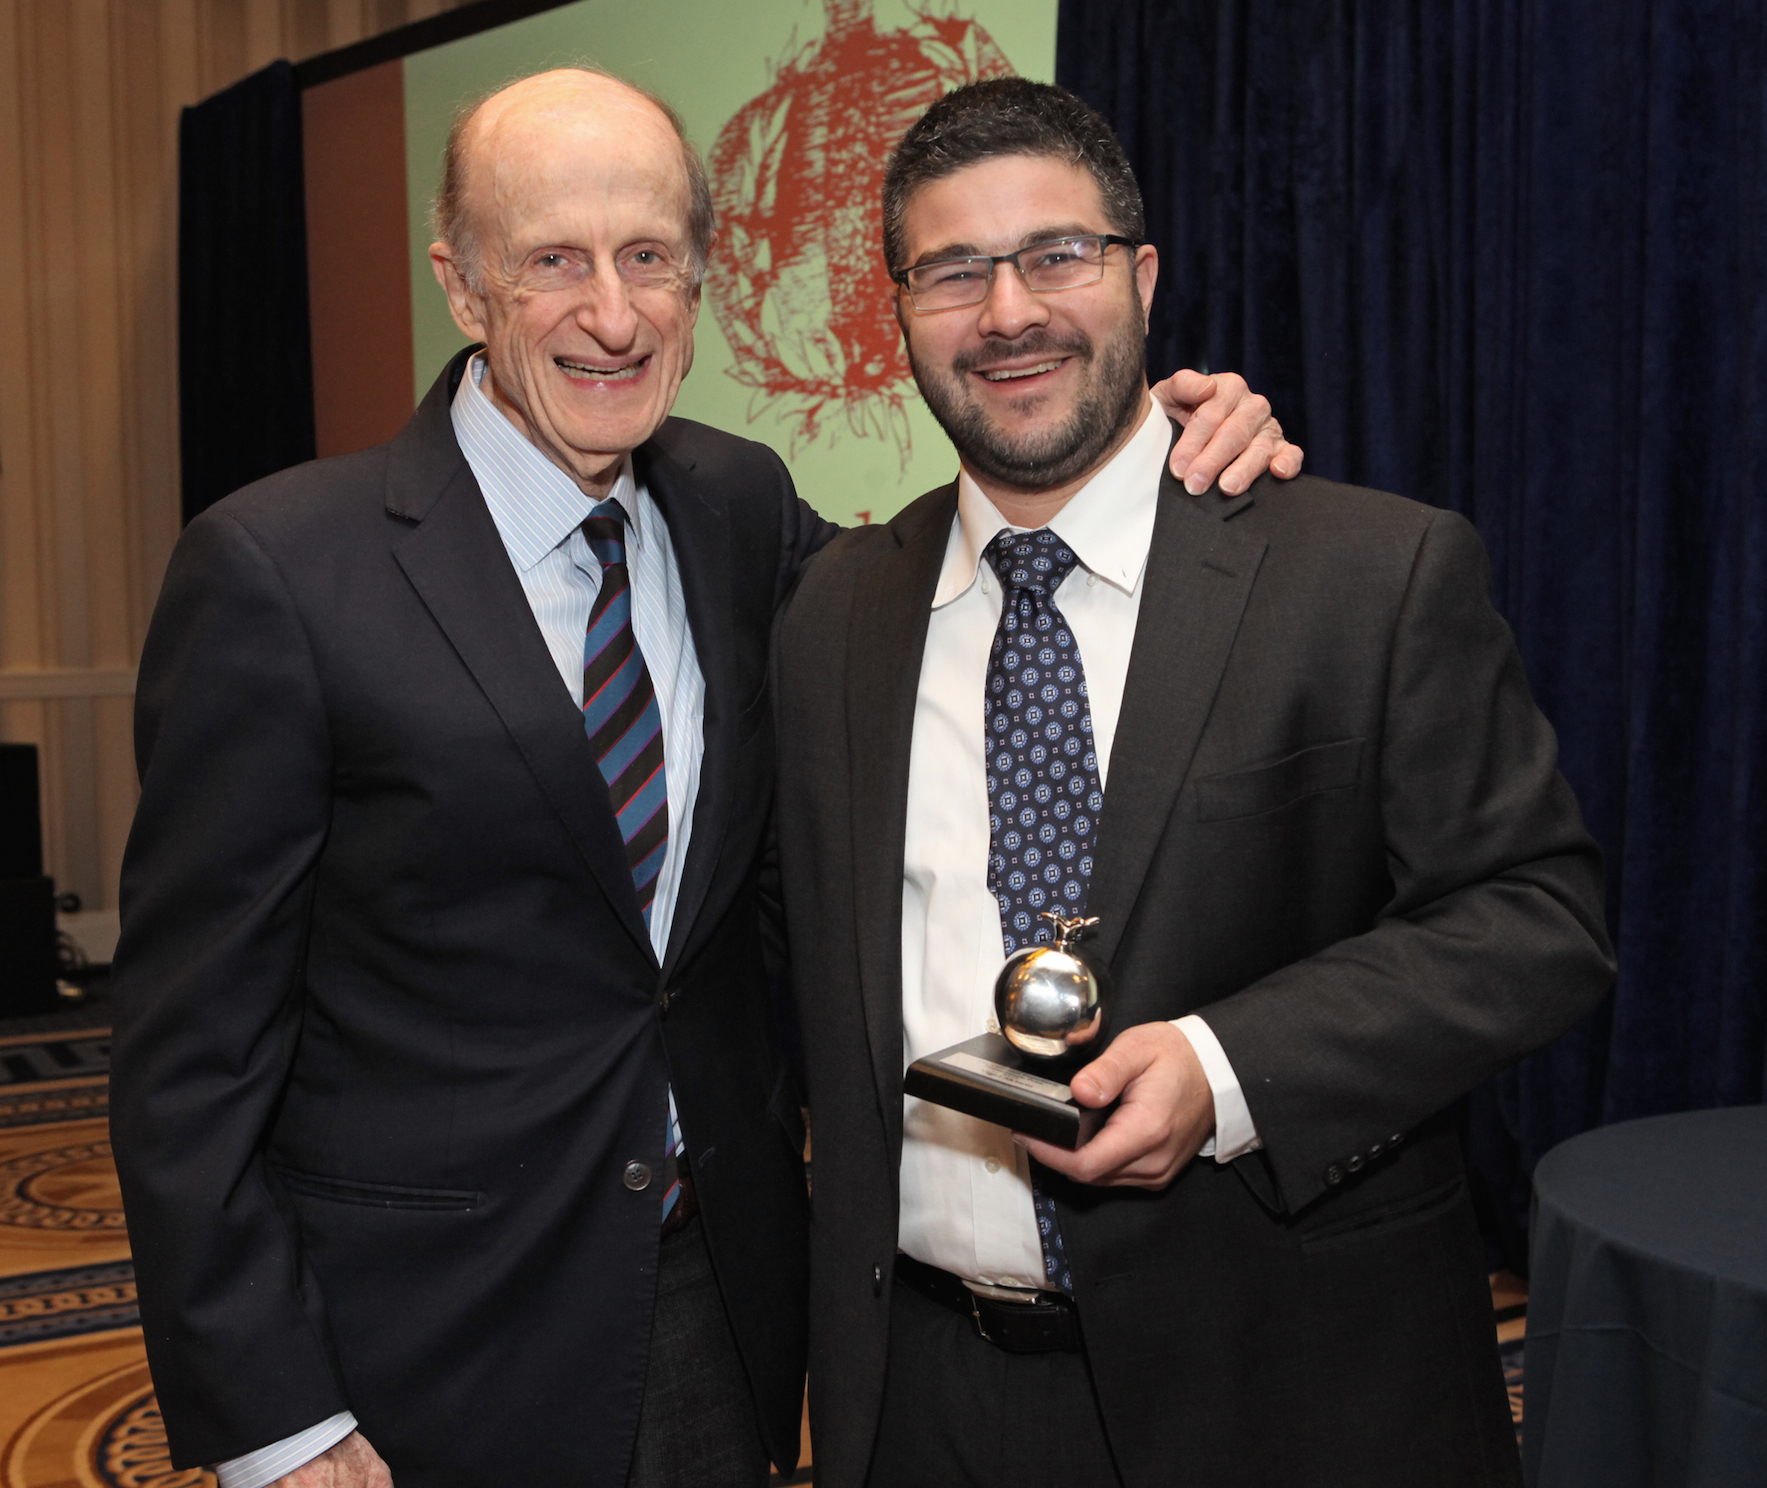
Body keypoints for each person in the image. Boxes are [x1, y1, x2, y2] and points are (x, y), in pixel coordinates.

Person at [109, 68, 1294, 1488]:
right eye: (553, 262)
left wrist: (1175, 435)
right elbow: (189, 1052)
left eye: (651, 260)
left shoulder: (739, 510)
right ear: (464, 285)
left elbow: (958, 585)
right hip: (414, 1346)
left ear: (702, 280)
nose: (611, 317)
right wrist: (275, 1416)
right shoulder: (277, 572)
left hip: (721, 1305)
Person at [773, 78, 1615, 1488]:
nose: (1009, 313)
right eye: (954, 271)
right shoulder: (833, 613)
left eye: (1058, 254)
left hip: (1285, 1391)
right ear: (897, 312)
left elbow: (1538, 918)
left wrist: (1227, 1071)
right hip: (916, 1399)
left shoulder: (1368, 574)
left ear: (1142, 276)